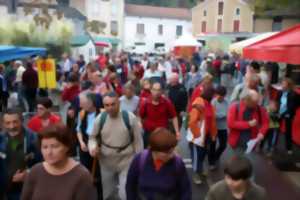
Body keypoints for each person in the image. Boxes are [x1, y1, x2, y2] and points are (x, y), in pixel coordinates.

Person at [88, 92, 143, 200]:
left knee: (125, 193)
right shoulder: (100, 118)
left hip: (126, 159)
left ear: (119, 103)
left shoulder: (129, 117)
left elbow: (138, 140)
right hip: (106, 161)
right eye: (107, 105)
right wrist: (92, 148)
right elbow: (92, 138)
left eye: (113, 104)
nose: (110, 108)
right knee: (108, 194)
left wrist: (139, 160)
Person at [21, 123, 97, 200]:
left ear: (67, 147)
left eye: (55, 146)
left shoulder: (82, 176)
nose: (49, 152)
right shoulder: (35, 172)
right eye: (45, 147)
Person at [126, 128, 191, 200]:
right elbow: (130, 185)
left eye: (173, 150)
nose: (172, 155)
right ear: (154, 150)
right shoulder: (140, 159)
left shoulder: (177, 163)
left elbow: (186, 190)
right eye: (168, 153)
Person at [0, 108, 40, 200]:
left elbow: (45, 163)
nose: (11, 126)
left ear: (22, 121)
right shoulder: (1, 139)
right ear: (2, 124)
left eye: (15, 122)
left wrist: (28, 173)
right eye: (7, 123)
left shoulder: (34, 139)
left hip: (27, 190)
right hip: (4, 191)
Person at [188, 86, 217, 184]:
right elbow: (192, 122)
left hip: (206, 135)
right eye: (214, 95)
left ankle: (200, 169)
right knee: (196, 155)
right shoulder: (199, 105)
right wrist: (197, 135)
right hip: (198, 137)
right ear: (210, 95)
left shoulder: (210, 105)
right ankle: (196, 174)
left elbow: (212, 121)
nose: (215, 97)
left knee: (202, 154)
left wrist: (213, 134)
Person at [140, 82, 180, 147]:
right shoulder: (145, 102)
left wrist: (177, 131)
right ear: (151, 90)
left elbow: (174, 116)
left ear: (161, 91)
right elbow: (141, 116)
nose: (157, 92)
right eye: (155, 89)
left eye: (158, 90)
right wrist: (140, 127)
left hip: (162, 133)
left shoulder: (167, 102)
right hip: (149, 133)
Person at [277, 78, 299, 154]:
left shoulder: (294, 94)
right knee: (275, 128)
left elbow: (293, 106)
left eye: (284, 84)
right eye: (282, 83)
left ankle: (289, 148)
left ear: (288, 86)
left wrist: (285, 114)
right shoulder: (280, 92)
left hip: (288, 114)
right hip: (279, 113)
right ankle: (272, 144)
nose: (282, 85)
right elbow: (277, 102)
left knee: (288, 131)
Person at [212, 86, 229, 162]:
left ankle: (215, 156)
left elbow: (228, 114)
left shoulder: (227, 102)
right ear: (216, 94)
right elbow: (213, 115)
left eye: (222, 96)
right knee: (212, 145)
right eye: (219, 95)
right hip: (214, 127)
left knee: (223, 145)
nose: (220, 98)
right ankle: (211, 161)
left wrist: (219, 115)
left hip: (223, 127)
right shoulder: (213, 102)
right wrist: (223, 115)